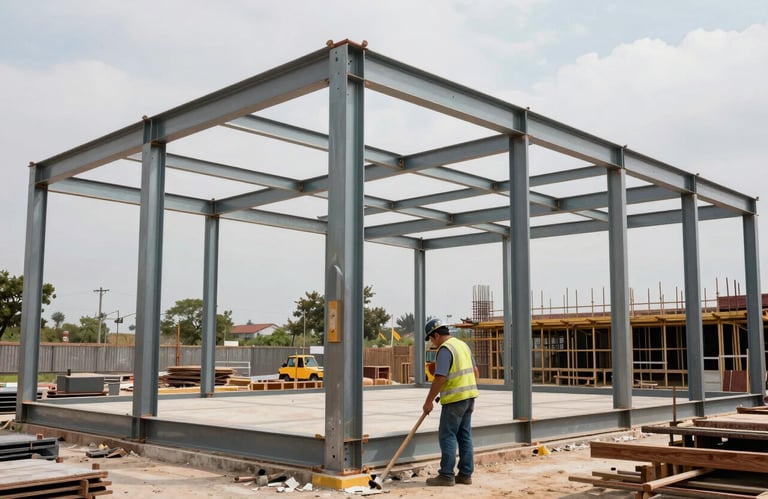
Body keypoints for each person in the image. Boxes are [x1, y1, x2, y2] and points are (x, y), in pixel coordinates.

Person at [422, 318, 479, 487]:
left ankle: (446, 475)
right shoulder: (463, 345)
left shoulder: (445, 349)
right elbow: (475, 371)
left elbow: (440, 377)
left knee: (447, 435)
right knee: (464, 435)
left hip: (455, 400)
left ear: (437, 335)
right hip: (469, 397)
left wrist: (428, 402)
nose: (432, 343)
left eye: (431, 339)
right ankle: (465, 474)